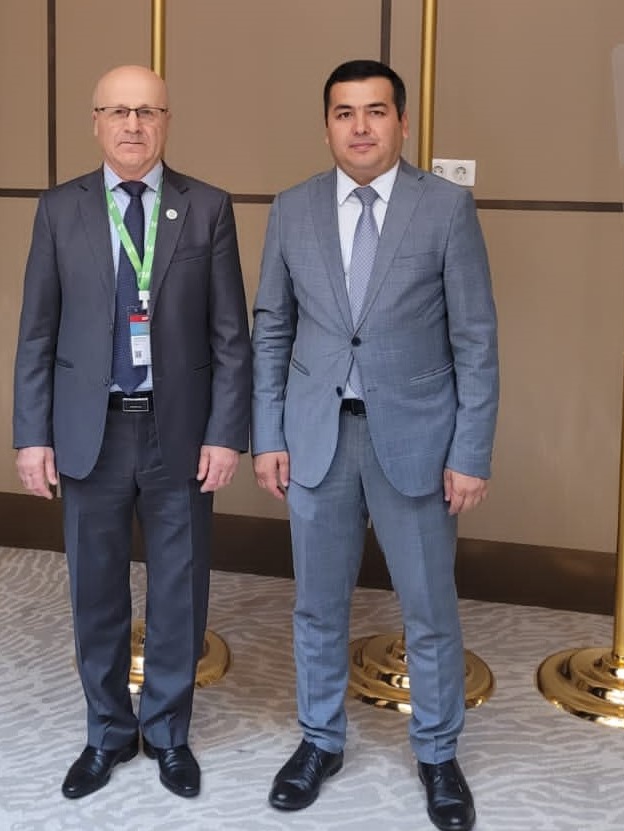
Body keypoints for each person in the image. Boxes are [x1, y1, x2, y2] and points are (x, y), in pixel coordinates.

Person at [251, 59, 499, 831]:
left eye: (376, 111)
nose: (360, 127)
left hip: (417, 440)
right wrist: (267, 434)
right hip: (316, 438)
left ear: (402, 122)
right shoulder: (291, 208)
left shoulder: (446, 208)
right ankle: (319, 740)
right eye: (344, 112)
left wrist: (471, 450)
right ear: (326, 125)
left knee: (428, 608)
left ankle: (437, 753)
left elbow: (477, 339)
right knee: (317, 605)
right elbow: (272, 330)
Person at [13, 65, 251, 802]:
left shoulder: (206, 207)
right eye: (117, 111)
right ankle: (108, 731)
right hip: (90, 433)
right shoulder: (60, 209)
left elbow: (230, 336)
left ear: (167, 121)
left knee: (179, 589)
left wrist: (226, 434)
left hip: (179, 432)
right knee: (96, 591)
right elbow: (37, 333)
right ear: (95, 122)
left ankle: (169, 733)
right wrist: (32, 435)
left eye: (147, 111)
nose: (132, 125)